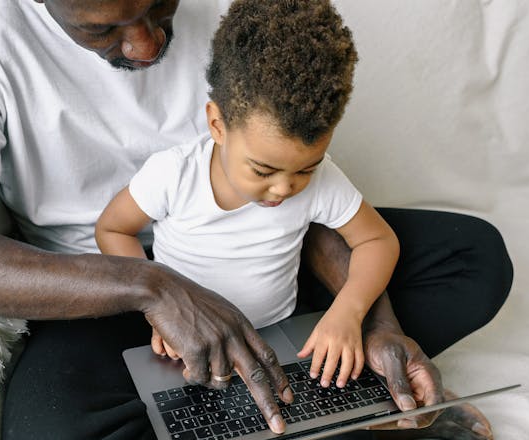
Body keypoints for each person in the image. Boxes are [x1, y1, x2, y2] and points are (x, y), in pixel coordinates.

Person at [0, 0, 512, 440]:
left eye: (159, 7)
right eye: (103, 28)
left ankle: (320, 399)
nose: (146, 45)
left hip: (269, 260)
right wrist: (156, 289)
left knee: (473, 258)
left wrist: (371, 319)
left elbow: (294, 197)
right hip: (102, 285)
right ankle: (345, 414)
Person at [95, 1, 399, 389]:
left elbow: (378, 239)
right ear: (217, 125)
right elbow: (113, 229)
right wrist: (157, 311)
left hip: (278, 337)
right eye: (262, 170)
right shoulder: (174, 173)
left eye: (306, 168)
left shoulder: (322, 179)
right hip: (189, 343)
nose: (285, 188)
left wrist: (348, 313)